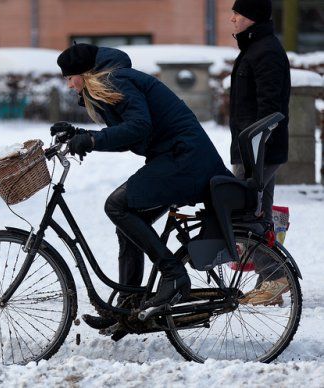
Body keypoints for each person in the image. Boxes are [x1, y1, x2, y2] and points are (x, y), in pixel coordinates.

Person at [51, 43, 232, 330]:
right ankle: (128, 307)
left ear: (85, 74)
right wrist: (83, 134)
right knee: (128, 223)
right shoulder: (117, 80)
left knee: (117, 205)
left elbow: (138, 127)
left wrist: (94, 140)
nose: (70, 85)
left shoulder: (117, 80)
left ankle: (173, 275)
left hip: (184, 159)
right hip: (177, 157)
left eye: (70, 77)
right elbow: (129, 135)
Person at [229, 0, 291, 306]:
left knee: (242, 213)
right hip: (253, 150)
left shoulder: (265, 52)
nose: (233, 18)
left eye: (238, 14)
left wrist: (255, 151)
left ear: (252, 18)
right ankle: (270, 283)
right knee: (260, 215)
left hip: (258, 151)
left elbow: (269, 109)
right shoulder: (255, 48)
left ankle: (275, 277)